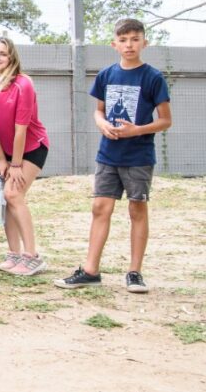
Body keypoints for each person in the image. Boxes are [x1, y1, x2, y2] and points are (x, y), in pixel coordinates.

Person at [55, 19, 171, 293]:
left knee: (137, 209)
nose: (129, 44)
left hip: (138, 156)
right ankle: (91, 270)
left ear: (144, 42)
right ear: (114, 44)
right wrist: (101, 123)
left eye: (134, 39)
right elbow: (99, 110)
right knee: (100, 208)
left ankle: (134, 272)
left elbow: (165, 120)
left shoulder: (152, 77)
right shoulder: (106, 75)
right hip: (108, 155)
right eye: (123, 40)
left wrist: (136, 130)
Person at [0, 37, 51, 277]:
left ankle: (32, 256)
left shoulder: (23, 84)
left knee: (13, 193)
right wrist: (1, 159)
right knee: (4, 199)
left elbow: (22, 128)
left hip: (30, 146)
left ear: (11, 58)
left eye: (3, 54)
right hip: (1, 149)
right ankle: (14, 253)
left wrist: (16, 164)